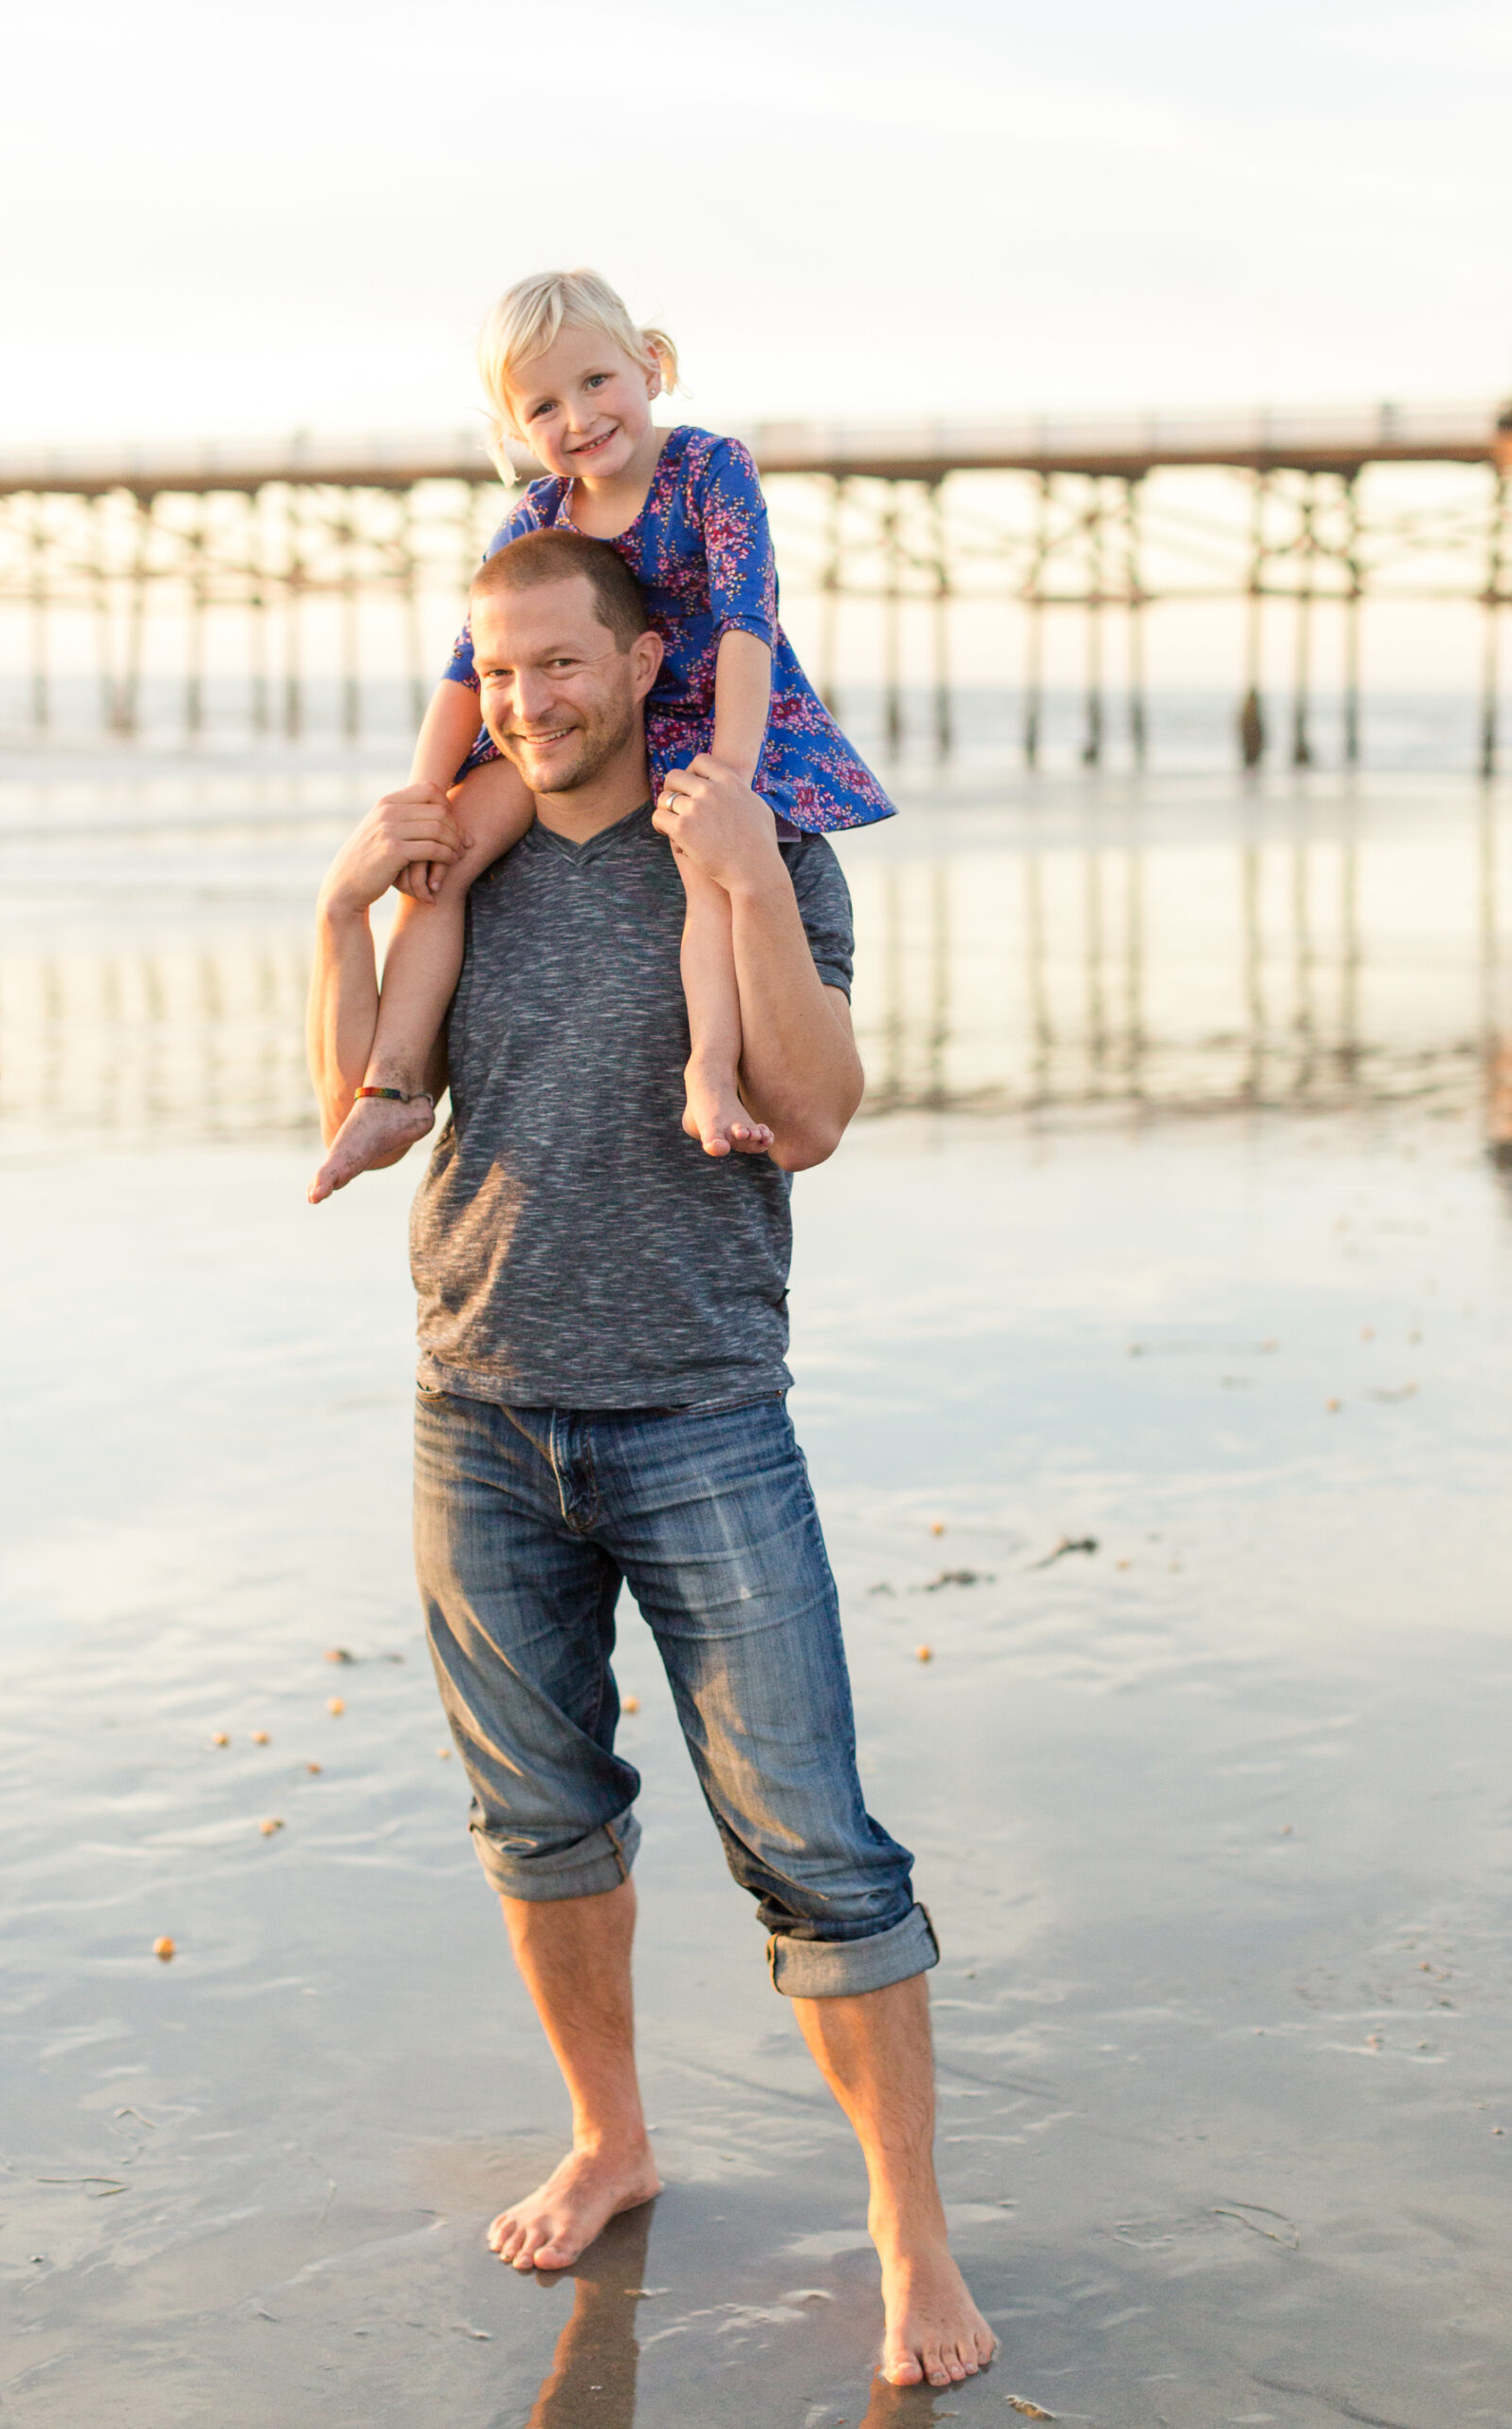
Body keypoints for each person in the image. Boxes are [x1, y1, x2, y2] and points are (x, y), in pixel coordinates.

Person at [304, 528, 996, 2393]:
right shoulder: (473, 860)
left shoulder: (763, 851)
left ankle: (904, 2226)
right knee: (538, 1816)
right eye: (498, 668)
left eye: (558, 663)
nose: (527, 698)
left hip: (699, 1404)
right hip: (476, 1401)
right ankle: (611, 2133)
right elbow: (358, 1093)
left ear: (633, 660)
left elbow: (814, 1112)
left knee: (817, 1846)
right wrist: (339, 908)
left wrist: (742, 874)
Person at [307, 268, 894, 1205]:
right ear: (512, 430)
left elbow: (749, 623)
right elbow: (469, 672)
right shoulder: (539, 517)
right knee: (446, 858)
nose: (576, 418)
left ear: (651, 365)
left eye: (595, 382)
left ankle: (709, 1069)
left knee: (708, 875)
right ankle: (394, 1085)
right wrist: (410, 816)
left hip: (712, 723)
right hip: (467, 1347)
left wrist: (732, 781)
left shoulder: (709, 470)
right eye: (542, 405)